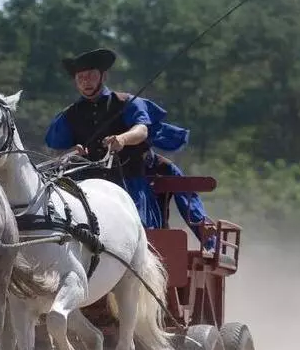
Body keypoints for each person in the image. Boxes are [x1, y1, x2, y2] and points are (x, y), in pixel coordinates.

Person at [44, 47, 192, 230]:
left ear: (103, 76)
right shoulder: (69, 115)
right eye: (80, 78)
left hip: (129, 183)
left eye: (90, 76)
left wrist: (122, 139)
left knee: (139, 227)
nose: (85, 82)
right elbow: (56, 152)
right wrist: (70, 153)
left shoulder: (127, 103)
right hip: (85, 187)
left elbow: (141, 130)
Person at [146, 151, 216, 251]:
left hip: (156, 234)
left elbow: (189, 204)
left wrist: (209, 240)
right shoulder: (117, 165)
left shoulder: (164, 167)